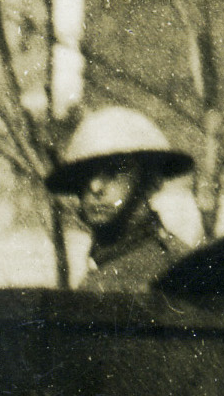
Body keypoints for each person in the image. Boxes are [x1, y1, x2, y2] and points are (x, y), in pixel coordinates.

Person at [48, 106, 196, 294]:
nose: (95, 187)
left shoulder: (180, 271)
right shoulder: (96, 273)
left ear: (150, 180)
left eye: (113, 171)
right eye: (85, 175)